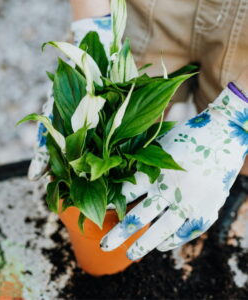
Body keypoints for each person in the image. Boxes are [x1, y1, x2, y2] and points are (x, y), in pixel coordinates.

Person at [29, 0, 248, 260]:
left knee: (236, 151)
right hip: (152, 9)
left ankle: (235, 191)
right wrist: (93, 29)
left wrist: (235, 114)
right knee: (127, 118)